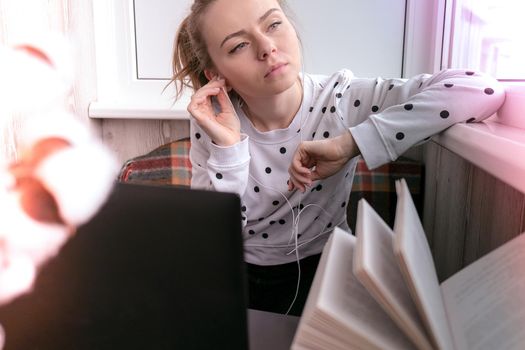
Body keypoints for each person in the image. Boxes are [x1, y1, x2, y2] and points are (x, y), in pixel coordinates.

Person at [171, 0, 505, 316]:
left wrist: (352, 143)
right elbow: (210, 242)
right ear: (216, 73)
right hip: (239, 276)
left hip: (331, 269)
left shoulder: (342, 97)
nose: (267, 48)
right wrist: (229, 148)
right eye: (238, 46)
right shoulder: (213, 121)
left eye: (273, 24)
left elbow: (483, 90)